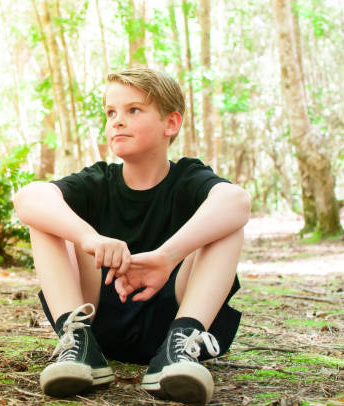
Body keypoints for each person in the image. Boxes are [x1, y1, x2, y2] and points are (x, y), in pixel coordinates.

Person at [13, 68, 250, 404]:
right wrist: (89, 238)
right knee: (46, 216)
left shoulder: (188, 178)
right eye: (111, 112)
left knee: (228, 220)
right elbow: (28, 198)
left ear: (171, 124)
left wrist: (166, 258)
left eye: (133, 110)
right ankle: (78, 346)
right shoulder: (99, 180)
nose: (117, 121)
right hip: (98, 321)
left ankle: (179, 347)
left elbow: (237, 201)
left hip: (176, 319)